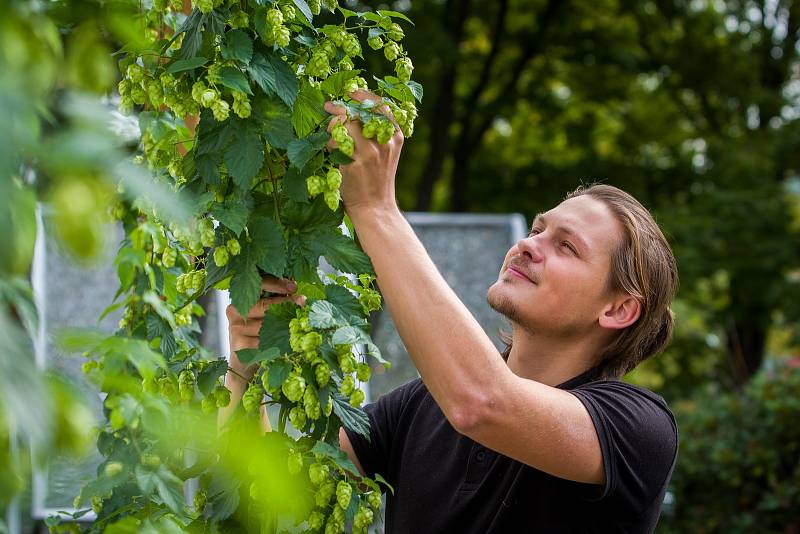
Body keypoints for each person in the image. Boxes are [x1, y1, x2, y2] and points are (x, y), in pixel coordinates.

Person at [223, 91, 679, 533]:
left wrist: (375, 208)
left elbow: (483, 403)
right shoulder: (419, 406)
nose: (527, 245)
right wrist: (245, 370)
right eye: (538, 228)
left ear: (618, 309)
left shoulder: (637, 429)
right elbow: (275, 493)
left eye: (566, 246)